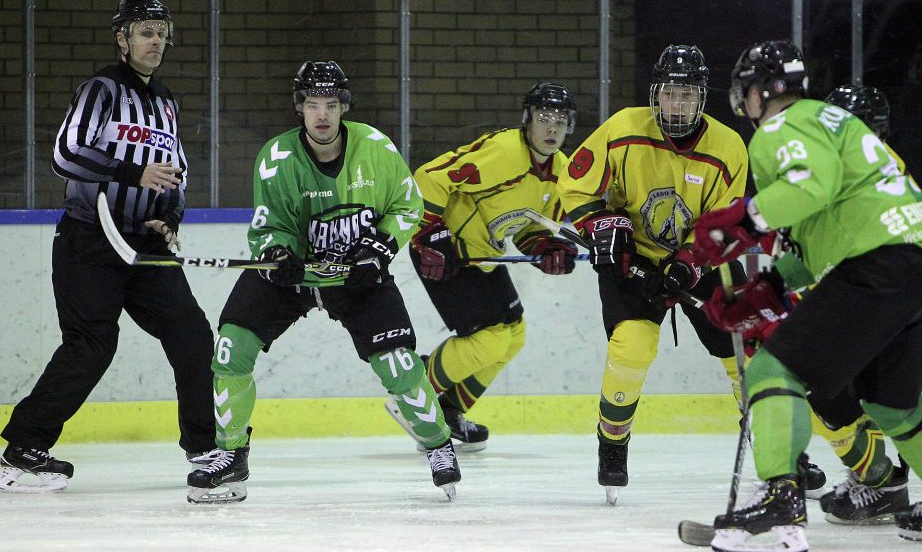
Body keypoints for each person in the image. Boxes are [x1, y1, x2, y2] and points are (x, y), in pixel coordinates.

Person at [186, 61, 460, 504]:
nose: (322, 115)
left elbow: (408, 205)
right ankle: (230, 454)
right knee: (231, 348)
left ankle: (438, 444)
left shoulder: (376, 147)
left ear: (343, 107)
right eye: (313, 105)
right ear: (300, 107)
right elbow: (268, 224)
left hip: (356, 275)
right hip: (291, 277)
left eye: (331, 105)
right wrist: (277, 254)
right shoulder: (276, 158)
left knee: (398, 365)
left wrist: (380, 249)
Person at [692, 40, 922, 552]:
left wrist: (744, 218)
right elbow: (825, 227)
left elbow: (810, 185)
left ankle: (779, 511)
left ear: (758, 92)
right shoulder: (834, 122)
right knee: (893, 405)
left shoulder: (780, 128)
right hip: (910, 263)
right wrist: (772, 285)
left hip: (874, 265)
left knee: (772, 371)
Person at [0, 0, 216, 493]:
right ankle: (24, 452)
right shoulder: (102, 89)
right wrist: (135, 173)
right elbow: (66, 153)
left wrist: (168, 216)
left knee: (194, 338)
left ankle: (206, 449)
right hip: (90, 239)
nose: (155, 41)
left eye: (161, 31)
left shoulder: (165, 102)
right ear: (122, 39)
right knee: (92, 345)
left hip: (144, 246)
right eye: (144, 31)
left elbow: (175, 173)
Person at [557, 44, 768, 506]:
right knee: (632, 345)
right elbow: (574, 185)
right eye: (670, 94)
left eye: (687, 95)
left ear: (701, 99)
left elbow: (723, 221)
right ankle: (613, 441)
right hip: (630, 255)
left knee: (742, 351)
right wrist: (601, 224)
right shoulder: (622, 129)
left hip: (700, 259)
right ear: (655, 95)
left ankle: (771, 443)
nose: (678, 104)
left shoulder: (728, 146)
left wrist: (690, 263)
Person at [384, 82, 579, 452]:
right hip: (447, 253)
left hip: (483, 257)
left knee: (513, 334)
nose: (552, 128)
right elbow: (429, 178)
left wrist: (546, 247)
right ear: (527, 120)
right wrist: (428, 235)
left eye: (561, 120)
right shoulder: (505, 153)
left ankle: (448, 409)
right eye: (544, 118)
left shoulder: (560, 174)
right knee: (490, 339)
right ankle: (412, 396)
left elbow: (530, 229)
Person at [807, 85, 914, 524]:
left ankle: (885, 483)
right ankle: (881, 482)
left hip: (894, 304)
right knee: (829, 394)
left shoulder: (879, 180)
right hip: (873, 302)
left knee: (892, 403)